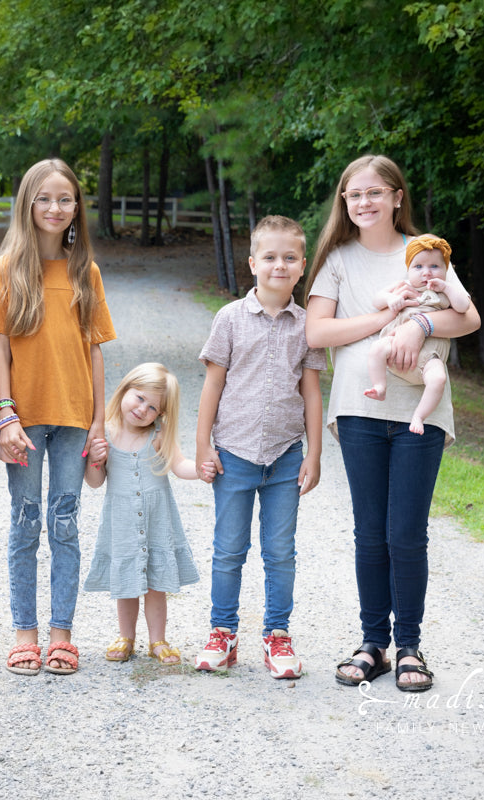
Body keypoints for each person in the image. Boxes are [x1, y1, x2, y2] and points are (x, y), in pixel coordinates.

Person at [305, 155, 480, 692]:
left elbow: (467, 317)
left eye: (375, 193)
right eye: (353, 195)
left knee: (406, 533)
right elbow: (316, 333)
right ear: (344, 202)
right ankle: (372, 643)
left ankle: (409, 646)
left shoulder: (424, 252)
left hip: (418, 415)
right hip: (359, 409)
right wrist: (387, 321)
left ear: (398, 196)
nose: (364, 203)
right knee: (369, 533)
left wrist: (420, 323)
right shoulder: (337, 258)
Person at [0, 158, 116, 677]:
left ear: (76, 208)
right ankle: (24, 634)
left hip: (75, 419)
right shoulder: (6, 271)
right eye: (45, 199)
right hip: (25, 420)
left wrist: (100, 421)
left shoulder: (85, 271)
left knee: (64, 525)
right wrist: (5, 412)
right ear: (27, 204)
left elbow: (96, 350)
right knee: (24, 524)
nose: (55, 208)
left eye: (65, 199)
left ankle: (62, 635)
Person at [194, 214, 326, 680]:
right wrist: (203, 446)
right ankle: (222, 632)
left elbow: (311, 391)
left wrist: (313, 452)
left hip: (286, 455)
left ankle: (277, 634)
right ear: (253, 263)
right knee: (229, 549)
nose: (279, 265)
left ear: (302, 265)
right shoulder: (229, 319)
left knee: (280, 551)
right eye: (270, 257)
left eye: (289, 258)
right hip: (233, 453)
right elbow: (212, 387)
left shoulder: (309, 325)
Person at [82, 363, 201, 665]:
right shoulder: (104, 435)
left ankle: (157, 640)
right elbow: (95, 483)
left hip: (156, 522)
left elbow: (181, 465)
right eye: (139, 398)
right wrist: (95, 461)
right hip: (121, 523)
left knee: (155, 584)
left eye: (152, 407)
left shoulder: (158, 437)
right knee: (126, 583)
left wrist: (202, 468)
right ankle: (126, 637)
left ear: (161, 415)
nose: (142, 409)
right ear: (124, 390)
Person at [364, 234, 471, 435]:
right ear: (409, 269)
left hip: (430, 356)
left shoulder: (446, 293)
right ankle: (379, 386)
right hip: (395, 343)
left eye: (434, 267)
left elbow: (464, 306)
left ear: (446, 270)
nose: (427, 273)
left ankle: (419, 416)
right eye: (418, 267)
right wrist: (390, 299)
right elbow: (376, 300)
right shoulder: (404, 286)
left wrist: (446, 286)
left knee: (439, 379)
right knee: (376, 348)